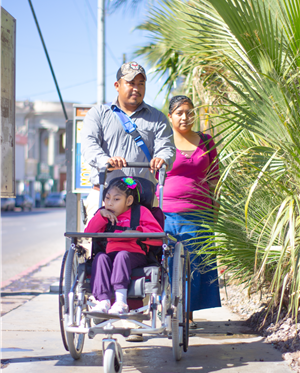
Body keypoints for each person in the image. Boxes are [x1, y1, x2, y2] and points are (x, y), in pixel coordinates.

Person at [156, 95, 221, 328]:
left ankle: (188, 314)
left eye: (189, 112)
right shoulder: (163, 142)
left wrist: (215, 212)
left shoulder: (206, 141)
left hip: (200, 214)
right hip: (168, 214)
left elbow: (215, 178)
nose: (185, 117)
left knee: (195, 265)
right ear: (170, 116)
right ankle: (168, 309)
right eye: (180, 112)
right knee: (168, 264)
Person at [81, 61, 176, 221]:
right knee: (96, 244)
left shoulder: (158, 118)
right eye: (131, 83)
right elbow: (89, 145)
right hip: (104, 197)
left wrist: (162, 159)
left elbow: (166, 148)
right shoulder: (98, 114)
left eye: (141, 84)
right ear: (117, 85)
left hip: (143, 199)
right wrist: (106, 162)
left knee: (147, 245)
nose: (136, 89)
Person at [84, 177, 163, 315]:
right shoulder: (103, 214)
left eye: (116, 199)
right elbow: (88, 233)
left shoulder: (141, 212)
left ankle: (121, 301)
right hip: (110, 254)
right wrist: (100, 216)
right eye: (107, 198)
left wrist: (138, 232)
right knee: (100, 258)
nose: (109, 203)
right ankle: (103, 301)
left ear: (129, 201)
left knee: (122, 255)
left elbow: (158, 237)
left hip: (135, 255)